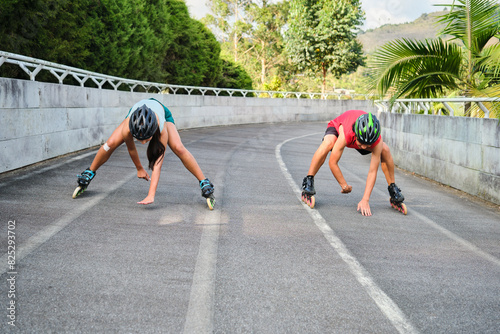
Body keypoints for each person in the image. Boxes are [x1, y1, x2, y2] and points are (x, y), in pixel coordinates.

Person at [73, 98, 214, 205]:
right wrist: (139, 168)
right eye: (138, 139)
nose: (142, 143)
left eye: (146, 139)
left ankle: (204, 182)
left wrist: (151, 194)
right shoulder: (128, 128)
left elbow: (158, 163)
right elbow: (131, 149)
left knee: (178, 148)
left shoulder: (161, 128)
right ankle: (89, 172)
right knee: (110, 144)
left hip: (162, 113)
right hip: (136, 114)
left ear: (153, 133)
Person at [301, 110, 404, 216]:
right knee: (328, 143)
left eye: (367, 145)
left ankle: (393, 188)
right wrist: (344, 185)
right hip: (338, 128)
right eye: (362, 143)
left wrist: (365, 199)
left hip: (360, 139)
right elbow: (333, 162)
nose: (364, 147)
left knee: (385, 150)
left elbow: (373, 171)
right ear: (355, 134)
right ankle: (309, 180)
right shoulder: (346, 133)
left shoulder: (376, 141)